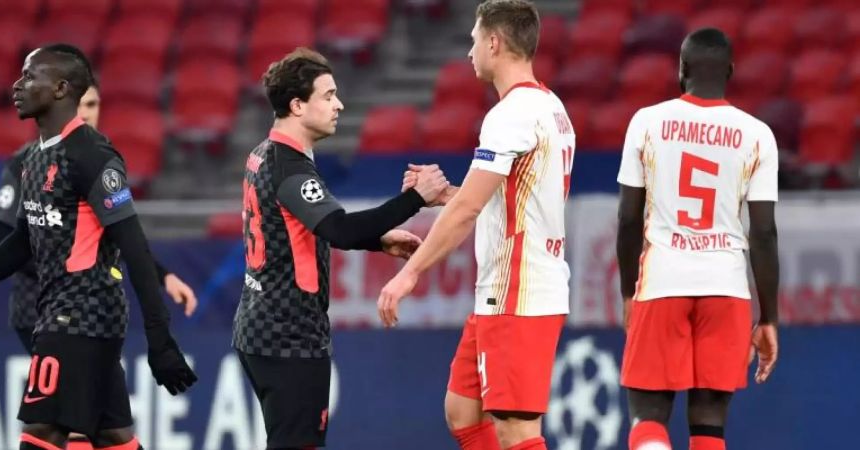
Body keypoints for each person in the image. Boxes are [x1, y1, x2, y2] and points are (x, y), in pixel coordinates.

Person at [0, 44, 196, 450]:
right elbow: (21, 241)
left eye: (30, 77)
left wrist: (161, 339)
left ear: (59, 89)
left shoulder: (92, 156)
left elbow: (134, 248)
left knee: (40, 433)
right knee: (114, 437)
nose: (17, 86)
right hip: (63, 315)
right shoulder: (33, 159)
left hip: (80, 315)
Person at [379, 2, 575, 449]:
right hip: (505, 289)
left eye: (473, 40)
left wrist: (410, 273)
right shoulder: (550, 107)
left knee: (516, 428)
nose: (469, 51)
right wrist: (448, 195)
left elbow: (469, 209)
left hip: (518, 293)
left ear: (494, 42)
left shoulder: (510, 116)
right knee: (462, 409)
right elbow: (511, 197)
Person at [234, 47, 447, 449]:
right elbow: (341, 230)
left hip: (260, 328)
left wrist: (378, 240)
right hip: (288, 335)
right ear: (297, 105)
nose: (339, 105)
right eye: (328, 95)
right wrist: (415, 199)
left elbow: (312, 227)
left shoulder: (265, 153)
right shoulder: (291, 167)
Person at [615, 28, 779, 450]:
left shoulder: (646, 122)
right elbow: (763, 232)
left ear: (681, 69)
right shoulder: (758, 134)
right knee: (709, 425)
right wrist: (769, 318)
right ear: (731, 71)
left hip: (663, 280)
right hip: (725, 287)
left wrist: (627, 292)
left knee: (648, 415)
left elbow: (628, 218)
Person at [0, 81, 198, 355]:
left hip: (91, 309)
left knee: (84, 392)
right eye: (77, 106)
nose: (85, 113)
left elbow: (119, 235)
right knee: (76, 390)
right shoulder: (25, 163)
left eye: (92, 104)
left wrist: (164, 277)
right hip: (40, 308)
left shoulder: (100, 163)